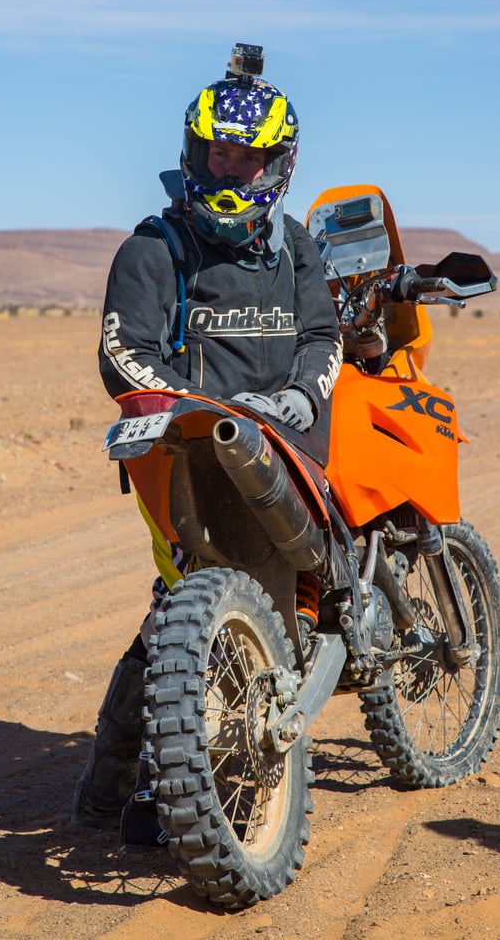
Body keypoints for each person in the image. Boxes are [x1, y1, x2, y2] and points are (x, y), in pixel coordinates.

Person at [73, 43, 343, 844]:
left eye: (246, 159)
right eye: (215, 154)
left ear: (277, 166)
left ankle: (170, 767)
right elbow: (123, 353)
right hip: (187, 459)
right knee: (179, 605)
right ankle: (137, 779)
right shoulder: (153, 248)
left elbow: (322, 335)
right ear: (191, 153)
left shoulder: (295, 246)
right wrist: (199, 409)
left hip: (290, 451)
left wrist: (293, 398)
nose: (229, 173)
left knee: (283, 592)